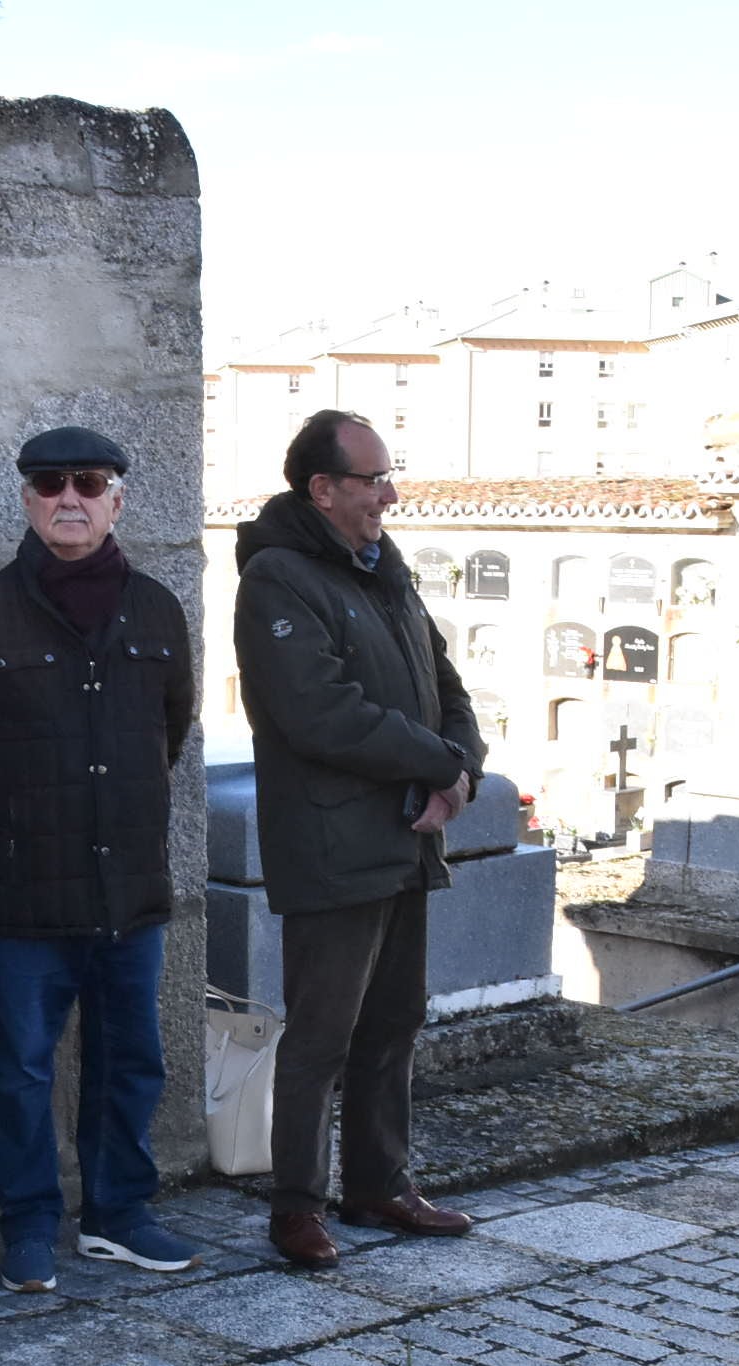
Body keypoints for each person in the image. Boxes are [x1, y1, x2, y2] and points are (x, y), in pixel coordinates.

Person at [0, 427, 200, 1294]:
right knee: (23, 1070)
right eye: (49, 483)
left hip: (130, 889)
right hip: (23, 897)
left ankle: (118, 1215)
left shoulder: (156, 612)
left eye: (89, 481)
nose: (69, 497)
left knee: (130, 1058)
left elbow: (168, 729)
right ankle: (29, 1225)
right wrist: (2, 828)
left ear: (117, 499)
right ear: (26, 499)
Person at [233, 411, 487, 1270]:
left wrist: (462, 768)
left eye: (390, 475)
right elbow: (321, 712)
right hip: (332, 843)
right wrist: (439, 762)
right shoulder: (277, 579)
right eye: (374, 479)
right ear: (323, 489)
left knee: (394, 1020)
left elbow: (444, 681)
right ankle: (296, 1208)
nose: (390, 493)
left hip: (407, 835)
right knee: (322, 1034)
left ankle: (379, 1185)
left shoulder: (385, 569)